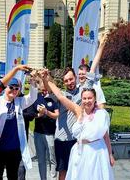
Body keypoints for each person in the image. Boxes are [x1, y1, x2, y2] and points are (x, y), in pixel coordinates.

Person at [47, 34, 108, 180]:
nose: (69, 82)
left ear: (75, 78)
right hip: (62, 140)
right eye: (66, 80)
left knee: (78, 173)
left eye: (71, 78)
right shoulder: (61, 95)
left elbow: (92, 69)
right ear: (64, 82)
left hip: (77, 141)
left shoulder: (83, 91)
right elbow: (54, 92)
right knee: (63, 173)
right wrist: (45, 78)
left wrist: (101, 46)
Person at [42, 73, 114, 180]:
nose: (87, 101)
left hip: (97, 153)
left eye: (90, 98)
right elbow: (60, 96)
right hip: (80, 152)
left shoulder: (101, 114)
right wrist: (45, 79)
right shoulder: (79, 111)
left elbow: (106, 136)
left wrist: (110, 154)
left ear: (95, 99)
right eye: (84, 98)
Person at [0, 76, 38, 180]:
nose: (14, 90)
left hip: (14, 149)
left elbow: (32, 97)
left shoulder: (19, 102)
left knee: (13, 176)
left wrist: (33, 82)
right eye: (11, 87)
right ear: (5, 87)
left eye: (16, 88)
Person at [25, 78, 59, 180]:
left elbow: (57, 115)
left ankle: (53, 178)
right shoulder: (36, 97)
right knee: (41, 159)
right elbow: (31, 114)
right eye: (42, 89)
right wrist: (39, 114)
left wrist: (46, 112)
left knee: (52, 159)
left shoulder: (53, 98)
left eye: (45, 89)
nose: (43, 91)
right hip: (38, 133)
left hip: (50, 133)